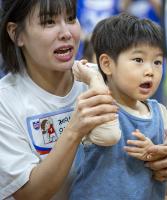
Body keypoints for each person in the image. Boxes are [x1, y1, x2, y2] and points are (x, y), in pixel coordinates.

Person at [0, 0, 118, 199]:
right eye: (49, 22)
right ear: (16, 34)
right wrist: (75, 129)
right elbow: (31, 194)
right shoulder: (6, 102)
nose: (66, 33)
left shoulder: (102, 79)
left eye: (71, 18)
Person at [69, 13, 167, 200]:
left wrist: (154, 154)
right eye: (138, 60)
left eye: (157, 62)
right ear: (107, 64)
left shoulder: (160, 113)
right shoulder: (94, 104)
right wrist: (95, 78)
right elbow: (109, 135)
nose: (150, 71)